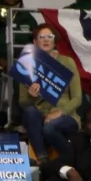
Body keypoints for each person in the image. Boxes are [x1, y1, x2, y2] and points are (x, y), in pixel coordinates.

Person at [18, 23, 82, 161]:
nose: (46, 40)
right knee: (30, 111)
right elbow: (22, 102)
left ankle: (73, 160)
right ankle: (43, 158)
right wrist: (31, 96)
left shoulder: (67, 62)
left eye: (50, 36)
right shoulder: (26, 65)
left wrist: (60, 112)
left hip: (66, 115)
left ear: (54, 41)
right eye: (42, 37)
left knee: (49, 128)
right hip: (39, 116)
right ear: (35, 42)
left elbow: (77, 98)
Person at [0, 0, 37, 132]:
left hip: (23, 70)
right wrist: (2, 61)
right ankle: (3, 132)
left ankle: (20, 130)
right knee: (0, 108)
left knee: (22, 106)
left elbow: (37, 43)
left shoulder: (27, 17)